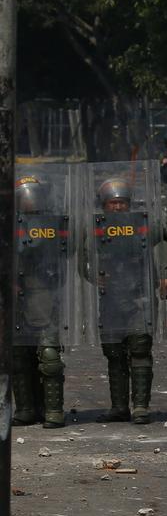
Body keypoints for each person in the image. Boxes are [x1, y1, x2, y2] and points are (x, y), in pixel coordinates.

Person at [90, 178, 157, 424]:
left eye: (122, 202)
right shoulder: (95, 227)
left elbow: (161, 246)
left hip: (139, 298)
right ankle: (119, 406)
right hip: (110, 300)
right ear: (104, 205)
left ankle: (141, 406)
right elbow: (83, 257)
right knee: (114, 353)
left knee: (140, 350)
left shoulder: (143, 225)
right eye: (112, 203)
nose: (117, 207)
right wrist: (93, 274)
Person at [12, 174, 69, 428]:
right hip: (15, 297)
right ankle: (26, 408)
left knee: (49, 356)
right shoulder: (9, 223)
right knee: (18, 355)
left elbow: (67, 248)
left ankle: (53, 411)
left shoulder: (51, 223)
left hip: (45, 294)